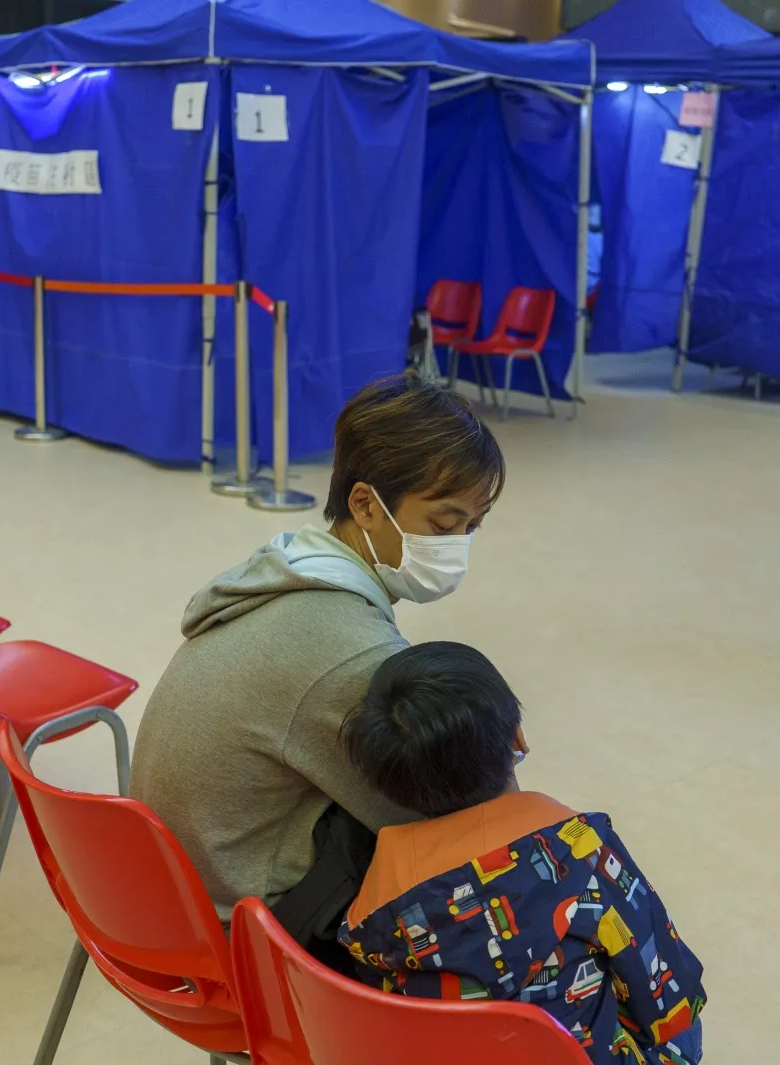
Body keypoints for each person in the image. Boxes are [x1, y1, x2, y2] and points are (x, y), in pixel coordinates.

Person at [131, 373, 504, 921]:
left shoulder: (285, 569)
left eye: (473, 527)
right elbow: (433, 821)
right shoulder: (349, 652)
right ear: (365, 505)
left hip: (152, 885)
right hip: (237, 927)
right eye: (444, 524)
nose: (458, 548)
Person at [336, 642, 724, 1065]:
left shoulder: (372, 908)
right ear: (517, 737)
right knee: (679, 1025)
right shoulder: (580, 850)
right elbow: (670, 996)